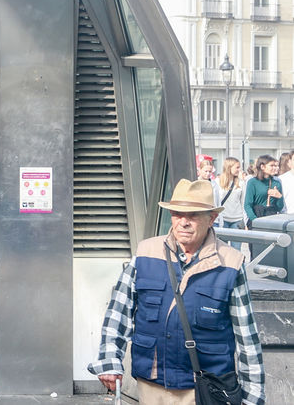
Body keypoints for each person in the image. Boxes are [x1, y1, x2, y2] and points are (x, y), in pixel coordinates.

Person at [89, 178, 264, 404]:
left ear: (212, 218)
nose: (183, 222)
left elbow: (247, 338)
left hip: (204, 388)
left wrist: (253, 397)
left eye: (192, 215)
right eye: (177, 214)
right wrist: (110, 360)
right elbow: (118, 312)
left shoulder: (230, 262)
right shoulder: (146, 252)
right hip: (151, 385)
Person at [213, 157, 247, 241]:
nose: (239, 170)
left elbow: (243, 203)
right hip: (222, 219)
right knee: (222, 249)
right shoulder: (217, 182)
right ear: (229, 167)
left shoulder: (241, 183)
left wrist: (245, 221)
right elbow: (215, 202)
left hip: (237, 220)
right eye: (237, 167)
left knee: (236, 249)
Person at [244, 154, 283, 225]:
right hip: (256, 217)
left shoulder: (277, 183)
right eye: (271, 166)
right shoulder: (252, 182)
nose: (275, 168)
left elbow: (279, 207)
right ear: (262, 167)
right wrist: (254, 220)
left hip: (272, 219)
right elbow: (247, 205)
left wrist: (279, 197)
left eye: (275, 165)